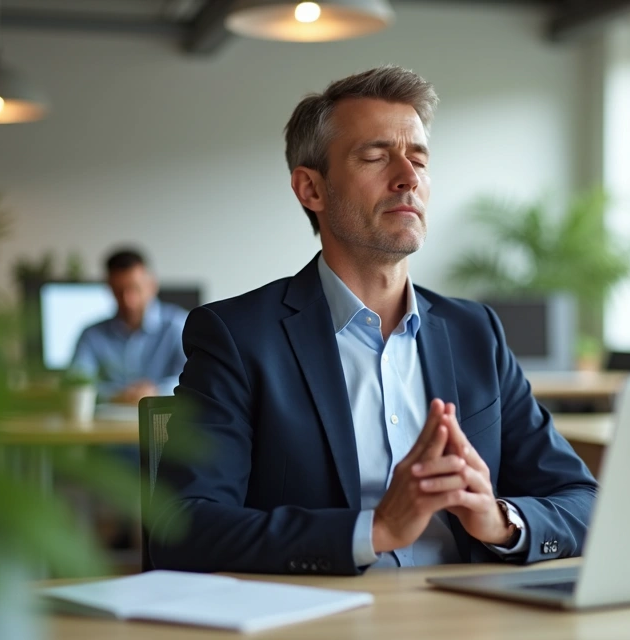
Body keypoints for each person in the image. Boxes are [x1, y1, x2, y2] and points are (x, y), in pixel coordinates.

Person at [149, 66, 597, 575]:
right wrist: (375, 530)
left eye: (419, 159)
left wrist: (497, 520)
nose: (408, 176)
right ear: (311, 189)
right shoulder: (237, 337)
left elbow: (583, 499)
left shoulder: (477, 333)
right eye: (376, 156)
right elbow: (180, 527)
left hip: (472, 616)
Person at [70, 248, 188, 404]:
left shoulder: (180, 326)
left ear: (151, 285)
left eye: (135, 289)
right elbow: (77, 382)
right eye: (119, 291)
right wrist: (117, 394)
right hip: (107, 426)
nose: (128, 300)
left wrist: (156, 391)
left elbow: (196, 380)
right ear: (109, 289)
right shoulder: (91, 334)